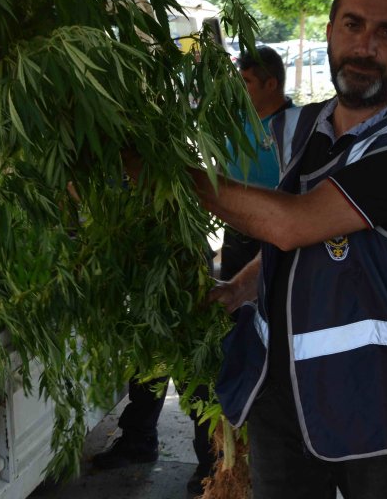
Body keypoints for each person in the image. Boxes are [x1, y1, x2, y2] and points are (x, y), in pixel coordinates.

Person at [172, 0, 387, 499]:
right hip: (282, 400)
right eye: (352, 25)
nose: (364, 46)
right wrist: (235, 291)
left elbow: (292, 224)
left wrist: (166, 176)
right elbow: (295, 245)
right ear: (331, 31)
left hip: (377, 408)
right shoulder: (306, 127)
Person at [94, 46, 294, 497]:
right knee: (165, 344)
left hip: (279, 236)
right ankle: (151, 439)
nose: (237, 93)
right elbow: (209, 179)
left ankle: (222, 456)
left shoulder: (296, 127)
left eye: (244, 83)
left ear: (270, 83)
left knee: (225, 345)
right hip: (230, 239)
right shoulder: (227, 125)